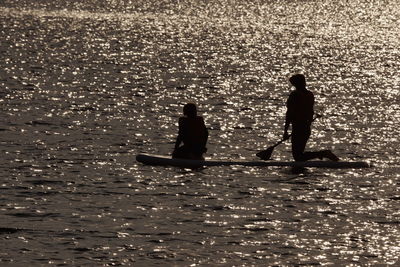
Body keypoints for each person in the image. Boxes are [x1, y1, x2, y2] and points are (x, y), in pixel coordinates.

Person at [283, 74, 339, 162]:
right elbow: (310, 112)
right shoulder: (310, 94)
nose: (292, 85)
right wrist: (307, 123)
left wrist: (285, 131)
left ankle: (323, 153)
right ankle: (322, 154)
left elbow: (289, 113)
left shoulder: (294, 95)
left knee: (298, 157)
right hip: (306, 128)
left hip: (298, 128)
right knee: (299, 155)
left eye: (293, 84)